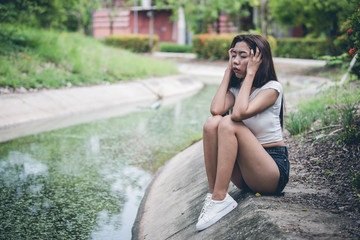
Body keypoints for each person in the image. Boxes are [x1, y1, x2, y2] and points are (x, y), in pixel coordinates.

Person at [196, 34, 290, 231]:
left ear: (258, 59)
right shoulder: (238, 88)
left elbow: (238, 114)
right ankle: (214, 196)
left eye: (243, 56)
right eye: (233, 55)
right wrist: (227, 75)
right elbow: (216, 109)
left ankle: (220, 198)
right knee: (212, 123)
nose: (236, 61)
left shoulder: (272, 89)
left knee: (230, 122)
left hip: (271, 171)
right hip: (245, 173)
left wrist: (249, 74)